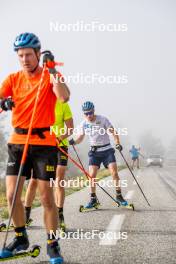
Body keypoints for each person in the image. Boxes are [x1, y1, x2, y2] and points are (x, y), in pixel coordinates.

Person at [0, 32, 70, 264]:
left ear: (38, 54)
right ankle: (21, 238)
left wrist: (52, 71)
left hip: (44, 145)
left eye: (29, 54)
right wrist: (3, 103)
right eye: (20, 55)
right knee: (11, 195)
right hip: (18, 143)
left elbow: (64, 97)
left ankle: (52, 244)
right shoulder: (12, 79)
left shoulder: (50, 76)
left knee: (46, 198)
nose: (25, 59)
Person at [24, 101, 74, 232]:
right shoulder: (40, 102)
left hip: (60, 145)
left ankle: (60, 215)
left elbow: (70, 128)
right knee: (34, 180)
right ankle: (25, 216)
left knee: (59, 178)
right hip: (43, 146)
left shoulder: (63, 104)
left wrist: (59, 138)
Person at [69, 101, 127, 209]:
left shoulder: (103, 119)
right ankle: (93, 199)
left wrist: (117, 143)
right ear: (84, 114)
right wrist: (74, 142)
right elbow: (81, 138)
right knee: (92, 177)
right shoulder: (84, 123)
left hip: (107, 150)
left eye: (90, 113)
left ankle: (119, 196)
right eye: (86, 114)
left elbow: (113, 132)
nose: (89, 116)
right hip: (94, 152)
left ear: (93, 110)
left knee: (114, 173)